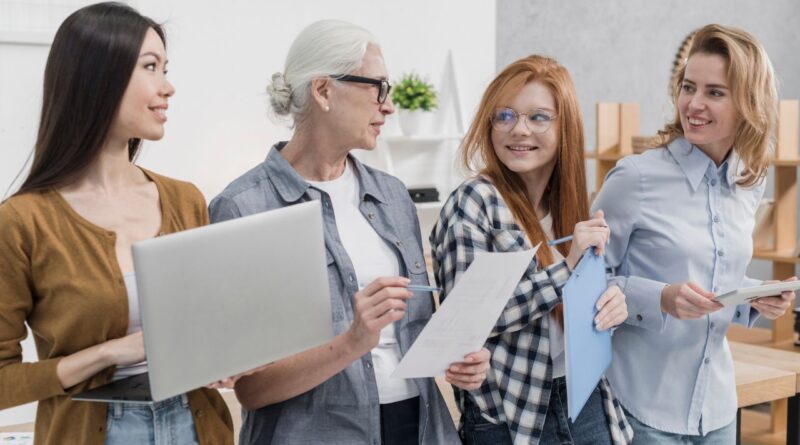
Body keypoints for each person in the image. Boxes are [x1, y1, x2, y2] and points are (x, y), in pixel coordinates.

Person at [209, 20, 490, 445]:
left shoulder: (392, 195)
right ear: (323, 91)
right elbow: (251, 389)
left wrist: (459, 359)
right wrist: (352, 341)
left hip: (421, 427)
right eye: (378, 87)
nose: (388, 105)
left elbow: (413, 332)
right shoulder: (243, 207)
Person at [0, 3, 233, 444]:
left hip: (195, 424)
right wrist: (109, 353)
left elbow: (210, 327)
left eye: (166, 68)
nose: (169, 87)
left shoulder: (186, 200)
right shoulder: (23, 221)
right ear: (98, 78)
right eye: (151, 67)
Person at [593, 24, 797, 444]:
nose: (694, 104)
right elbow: (581, 283)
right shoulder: (636, 178)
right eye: (689, 87)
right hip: (641, 408)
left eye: (715, 92)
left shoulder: (748, 180)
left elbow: (714, 274)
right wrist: (660, 298)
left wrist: (753, 296)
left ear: (748, 104)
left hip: (717, 408)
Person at [429, 55, 633, 445]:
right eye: (504, 116)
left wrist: (611, 306)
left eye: (538, 117)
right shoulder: (473, 203)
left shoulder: (569, 208)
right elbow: (466, 322)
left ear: (565, 127)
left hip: (587, 404)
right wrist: (566, 269)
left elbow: (573, 317)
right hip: (511, 420)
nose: (518, 130)